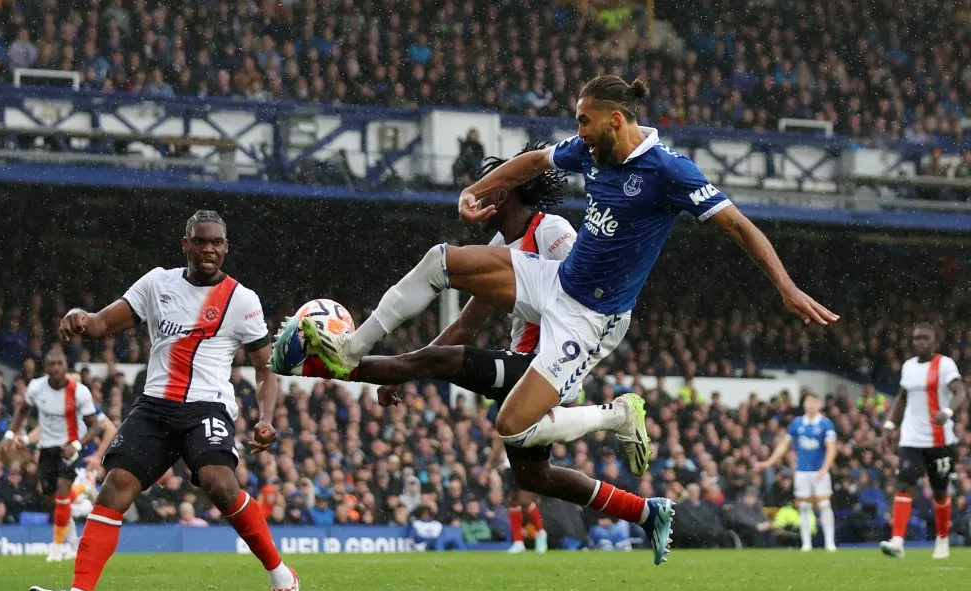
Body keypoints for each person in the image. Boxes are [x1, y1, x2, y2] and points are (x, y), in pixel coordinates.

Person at [293, 74, 837, 565]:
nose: (577, 130)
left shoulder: (668, 171)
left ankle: (614, 416)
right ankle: (349, 349)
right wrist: (475, 191)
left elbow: (739, 225)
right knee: (442, 260)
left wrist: (785, 287)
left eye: (584, 119)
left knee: (513, 427)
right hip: (555, 284)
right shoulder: (591, 152)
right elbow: (533, 162)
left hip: (591, 320)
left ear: (615, 120)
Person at [275, 143, 577, 554]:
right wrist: (407, 370)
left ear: (506, 191)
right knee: (532, 479)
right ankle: (645, 511)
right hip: (523, 372)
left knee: (527, 478)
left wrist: (570, 368)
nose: (484, 192)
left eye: (494, 185)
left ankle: (319, 361)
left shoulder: (552, 230)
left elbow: (584, 300)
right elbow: (466, 325)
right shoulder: (502, 249)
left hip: (547, 367)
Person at [27, 210, 300, 591]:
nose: (209, 249)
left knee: (220, 484)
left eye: (216, 243)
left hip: (207, 406)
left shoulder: (241, 300)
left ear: (226, 248)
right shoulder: (157, 283)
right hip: (155, 405)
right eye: (200, 241)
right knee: (115, 487)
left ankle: (282, 577)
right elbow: (101, 324)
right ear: (185, 245)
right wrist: (81, 316)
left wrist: (266, 417)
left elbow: (266, 368)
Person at [3, 349, 101, 562]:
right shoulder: (36, 388)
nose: (56, 368)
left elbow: (95, 427)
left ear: (65, 367)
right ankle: (83, 489)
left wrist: (76, 445)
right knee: (51, 497)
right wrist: (11, 434)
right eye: (51, 364)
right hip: (47, 448)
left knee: (62, 493)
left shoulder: (79, 392)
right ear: (46, 368)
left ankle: (56, 548)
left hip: (69, 447)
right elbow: (23, 411)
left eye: (59, 364)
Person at [880, 323, 966, 559]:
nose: (920, 342)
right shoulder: (908, 367)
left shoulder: (945, 364)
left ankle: (942, 539)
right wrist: (890, 424)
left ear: (934, 341)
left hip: (939, 439)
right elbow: (902, 397)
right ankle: (897, 540)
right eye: (916, 338)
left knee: (939, 492)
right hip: (911, 438)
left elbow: (960, 392)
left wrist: (947, 412)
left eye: (925, 338)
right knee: (903, 484)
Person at [757, 394, 838, 551]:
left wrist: (825, 468)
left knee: (824, 505)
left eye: (814, 402)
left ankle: (830, 543)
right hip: (802, 472)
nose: (811, 405)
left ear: (819, 404)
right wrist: (769, 462)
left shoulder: (825, 424)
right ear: (804, 404)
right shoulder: (797, 423)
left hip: (819, 470)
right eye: (808, 402)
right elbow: (783, 445)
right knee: (804, 507)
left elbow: (831, 448)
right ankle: (806, 543)